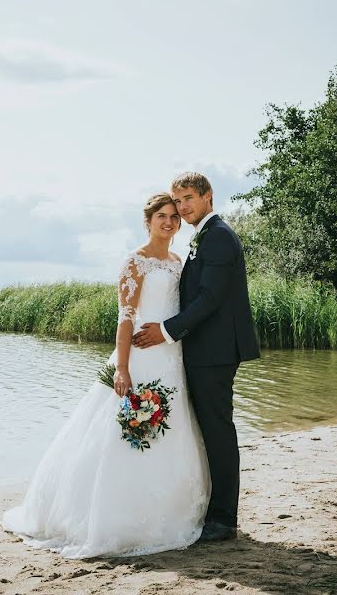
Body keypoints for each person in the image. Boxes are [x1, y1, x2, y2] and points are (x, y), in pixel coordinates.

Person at [1, 192, 211, 558]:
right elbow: (126, 317)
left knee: (170, 430)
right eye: (162, 216)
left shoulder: (178, 261)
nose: (169, 222)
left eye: (174, 217)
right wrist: (123, 367)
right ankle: (113, 517)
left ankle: (169, 509)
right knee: (126, 430)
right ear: (147, 221)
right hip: (142, 358)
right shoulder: (135, 262)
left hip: (171, 358)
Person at [133, 172, 260, 542]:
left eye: (188, 198)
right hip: (203, 348)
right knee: (208, 430)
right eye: (178, 200)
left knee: (218, 431)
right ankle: (212, 511)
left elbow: (210, 297)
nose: (183, 206)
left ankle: (223, 520)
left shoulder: (218, 236)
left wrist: (167, 330)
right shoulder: (203, 236)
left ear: (208, 197)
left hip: (216, 350)